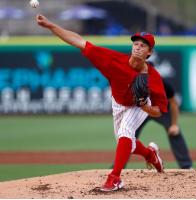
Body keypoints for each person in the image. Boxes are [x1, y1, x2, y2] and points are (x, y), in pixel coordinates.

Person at [36, 14, 168, 192]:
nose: (138, 47)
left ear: (149, 52)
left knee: (126, 132)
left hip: (140, 106)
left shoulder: (154, 78)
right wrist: (51, 26)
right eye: (135, 43)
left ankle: (114, 178)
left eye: (143, 45)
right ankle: (150, 154)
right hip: (119, 103)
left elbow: (159, 111)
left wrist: (146, 107)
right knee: (126, 143)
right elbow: (79, 41)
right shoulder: (113, 60)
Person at [135, 78, 193, 169]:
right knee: (127, 135)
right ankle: (119, 166)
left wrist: (174, 124)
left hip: (161, 110)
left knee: (174, 132)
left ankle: (186, 166)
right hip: (142, 110)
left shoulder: (163, 83)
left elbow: (173, 103)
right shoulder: (136, 82)